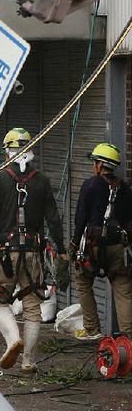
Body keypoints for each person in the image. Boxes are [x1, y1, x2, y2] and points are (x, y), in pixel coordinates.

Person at [0, 127, 68, 373]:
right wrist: (62, 252)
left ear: (6, 151)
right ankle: (28, 362)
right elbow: (53, 219)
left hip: (5, 254)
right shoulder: (41, 180)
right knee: (33, 306)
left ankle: (12, 341)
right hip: (33, 253)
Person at [70, 143, 132, 340]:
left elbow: (80, 219)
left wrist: (73, 245)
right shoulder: (125, 188)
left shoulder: (90, 184)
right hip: (117, 247)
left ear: (99, 165)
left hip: (92, 247)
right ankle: (127, 339)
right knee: (123, 291)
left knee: (82, 281)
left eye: (94, 162)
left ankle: (92, 329)